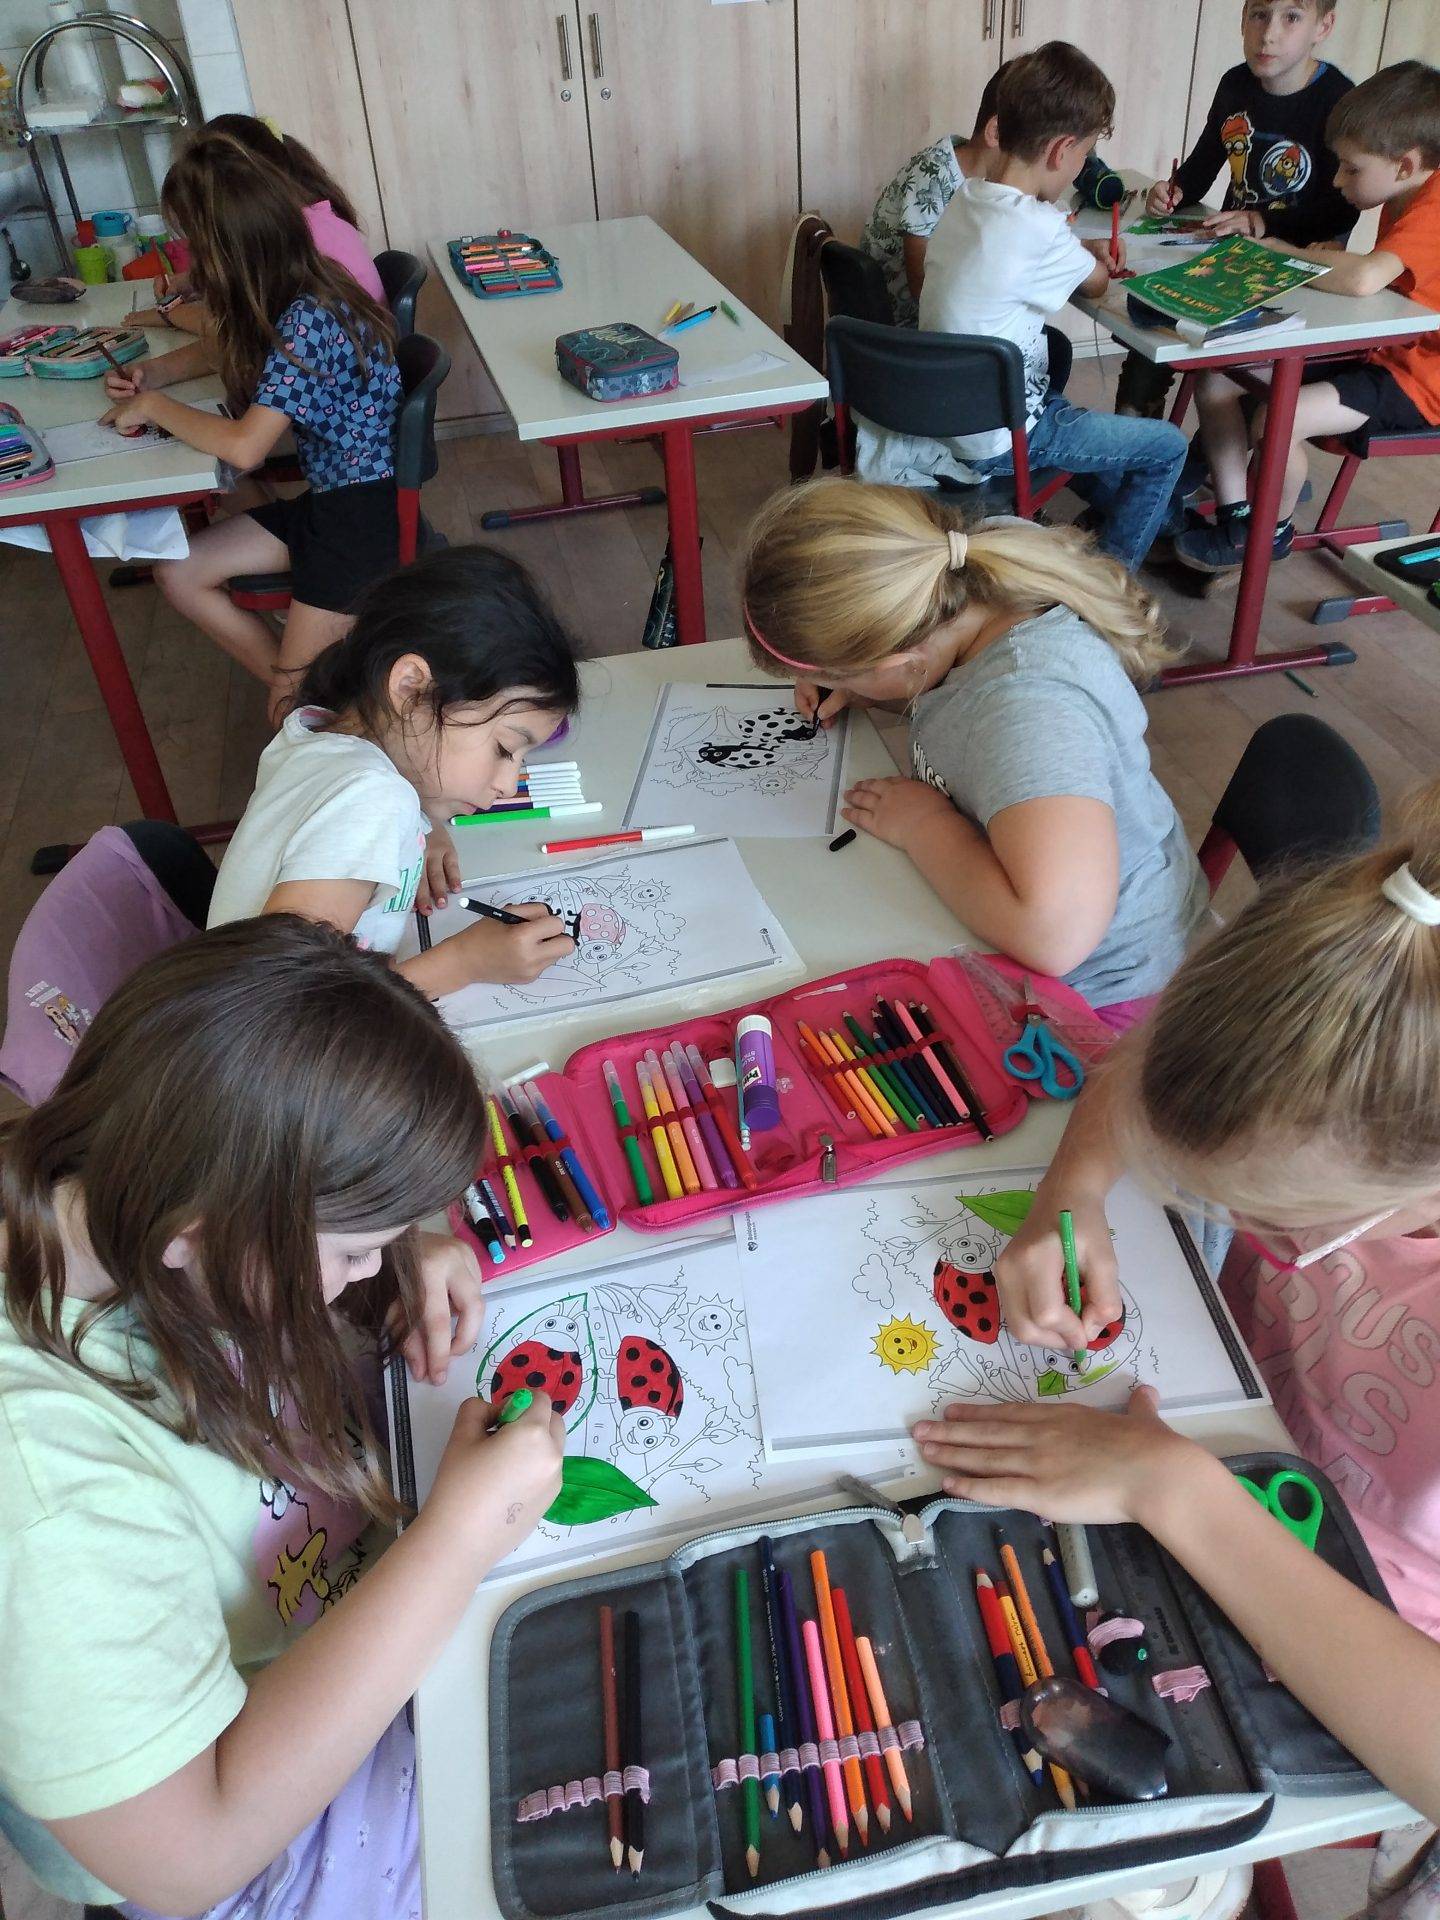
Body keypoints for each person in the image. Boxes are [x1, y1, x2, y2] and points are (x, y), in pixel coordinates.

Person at [913, 785, 1440, 1903]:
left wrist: (1179, 1492)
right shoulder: (1361, 1027)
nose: (1243, 1229)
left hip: (1362, 1641)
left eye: (1276, 1226)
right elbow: (1145, 1068)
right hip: (1223, 1447)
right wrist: (1072, 1193)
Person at [0, 914, 566, 1916]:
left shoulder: (117, 1184)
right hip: (255, 1829)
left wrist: (392, 1254)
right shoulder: (43, 1497)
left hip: (332, 1609)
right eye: (352, 1249)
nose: (367, 1268)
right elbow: (187, 1858)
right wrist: (459, 1540)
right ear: (202, 1233)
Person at [741, 480, 1207, 1024]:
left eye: (837, 675)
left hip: (1105, 991)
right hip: (1025, 897)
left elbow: (1056, 937)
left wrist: (924, 826)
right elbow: (957, 704)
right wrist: (861, 687)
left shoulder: (1026, 710)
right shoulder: (955, 566)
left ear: (903, 661)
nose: (829, 686)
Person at [857, 42, 1188, 573]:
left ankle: (1142, 519)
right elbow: (1097, 284)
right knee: (1168, 446)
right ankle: (1109, 585)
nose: (1079, 171)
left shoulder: (964, 197)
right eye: (1084, 157)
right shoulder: (1041, 229)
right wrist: (1088, 254)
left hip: (942, 409)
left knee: (1069, 392)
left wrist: (1070, 248)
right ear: (1061, 151)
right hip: (1000, 433)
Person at [100, 129, 402, 709]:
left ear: (227, 248)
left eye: (194, 244)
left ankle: (315, 700)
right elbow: (229, 353)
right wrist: (154, 379)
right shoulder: (303, 286)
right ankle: (319, 696)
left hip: (359, 519)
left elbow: (246, 448)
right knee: (180, 571)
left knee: (291, 710)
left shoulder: (310, 318)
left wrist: (154, 405)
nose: (192, 261)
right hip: (337, 501)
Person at [208, 544, 582, 991]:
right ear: (410, 688)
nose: (508, 784)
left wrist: (423, 825)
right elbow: (287, 1006)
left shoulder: (321, 733)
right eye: (504, 749)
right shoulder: (372, 800)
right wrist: (466, 962)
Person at [1175, 60, 1440, 577]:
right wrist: (1339, 261)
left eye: (1351, 168)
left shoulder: (1432, 206)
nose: (1337, 180)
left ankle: (1269, 532)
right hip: (1384, 349)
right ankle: (1238, 519)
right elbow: (1387, 278)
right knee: (1219, 377)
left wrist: (1283, 251)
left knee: (1280, 417)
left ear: (1405, 165)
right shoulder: (1407, 191)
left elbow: (1364, 280)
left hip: (1420, 380)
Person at [1117, 0, 1354, 417]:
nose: (1269, 34)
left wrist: (1262, 221)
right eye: (1259, 15)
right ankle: (1135, 437)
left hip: (1297, 272)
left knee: (1240, 387)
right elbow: (1202, 165)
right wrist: (1173, 190)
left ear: (1324, 26)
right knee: (1151, 324)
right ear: (1243, 18)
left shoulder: (1339, 100)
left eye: (1291, 17)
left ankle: (1205, 450)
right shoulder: (1235, 84)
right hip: (1228, 256)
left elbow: (1341, 210)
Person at [132, 113, 384, 331]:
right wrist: (197, 281)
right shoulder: (306, 220)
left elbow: (237, 332)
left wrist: (170, 314)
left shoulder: (297, 241)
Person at [859, 62, 1011, 325]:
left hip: (939, 318)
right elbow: (922, 289)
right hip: (905, 326)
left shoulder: (986, 184)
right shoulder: (933, 175)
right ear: (995, 132)